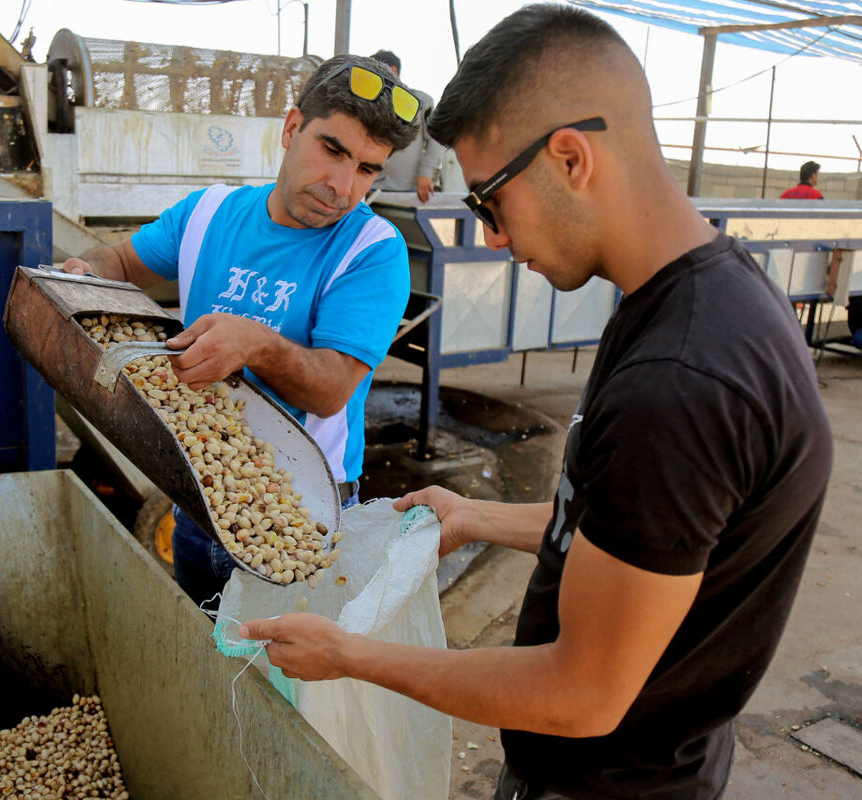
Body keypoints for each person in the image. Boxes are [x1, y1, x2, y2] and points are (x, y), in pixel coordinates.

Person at [241, 6, 833, 799]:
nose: (489, 237)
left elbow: (580, 694)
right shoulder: (701, 297)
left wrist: (350, 656)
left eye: (488, 200)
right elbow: (645, 533)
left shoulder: (682, 382)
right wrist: (476, 516)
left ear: (569, 158)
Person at [61, 54, 418, 610]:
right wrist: (85, 271)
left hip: (297, 515)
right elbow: (122, 262)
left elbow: (330, 390)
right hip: (199, 492)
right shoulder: (209, 211)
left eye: (368, 169)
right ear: (292, 127)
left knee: (278, 688)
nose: (343, 186)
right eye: (332, 150)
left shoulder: (372, 251)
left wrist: (255, 343)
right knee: (201, 663)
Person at [367, 49, 447, 203]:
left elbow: (435, 139)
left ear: (393, 70)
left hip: (406, 190)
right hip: (371, 189)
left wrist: (426, 173)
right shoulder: (368, 102)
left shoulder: (421, 102)